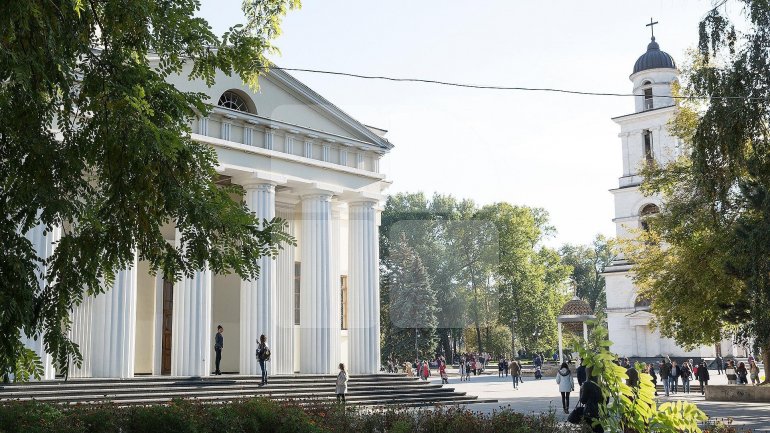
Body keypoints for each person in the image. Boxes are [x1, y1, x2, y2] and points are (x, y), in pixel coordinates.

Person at [579, 367, 604, 433]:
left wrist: (581, 390)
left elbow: (583, 400)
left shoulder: (587, 384)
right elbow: (605, 400)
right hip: (600, 412)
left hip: (589, 412)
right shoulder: (601, 384)